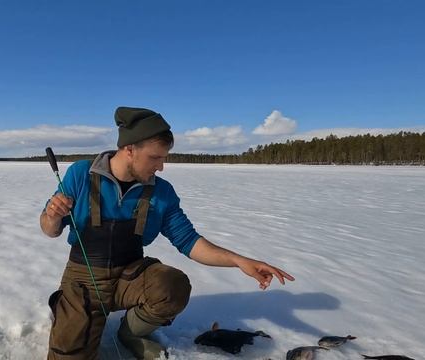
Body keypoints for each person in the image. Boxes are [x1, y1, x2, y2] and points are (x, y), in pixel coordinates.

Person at [40, 106, 294, 360]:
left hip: (130, 277)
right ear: (129, 149)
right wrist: (52, 216)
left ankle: (131, 333)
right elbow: (50, 230)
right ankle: (72, 315)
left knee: (172, 286)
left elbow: (190, 241)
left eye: (164, 158)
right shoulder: (81, 174)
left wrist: (239, 261)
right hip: (83, 280)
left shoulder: (161, 192)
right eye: (155, 157)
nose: (161, 167)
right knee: (68, 354)